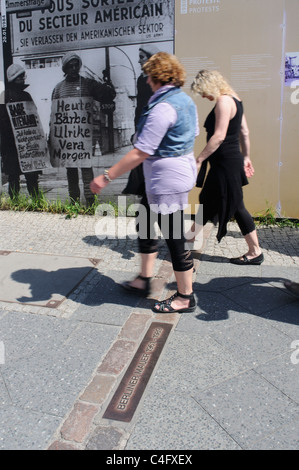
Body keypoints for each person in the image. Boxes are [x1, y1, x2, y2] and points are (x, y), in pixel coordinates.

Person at [91, 52, 199, 313]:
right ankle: (144, 279)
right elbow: (192, 133)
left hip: (166, 180)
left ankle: (185, 297)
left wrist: (106, 176)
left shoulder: (163, 106)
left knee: (174, 237)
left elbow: (141, 151)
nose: (147, 81)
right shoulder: (184, 100)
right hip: (176, 171)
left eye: (149, 75)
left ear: (157, 76)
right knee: (145, 221)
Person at [189, 69, 263, 265]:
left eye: (202, 91)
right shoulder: (235, 99)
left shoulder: (223, 101)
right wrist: (246, 156)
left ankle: (255, 251)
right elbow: (244, 132)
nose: (204, 96)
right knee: (207, 198)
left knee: (237, 205)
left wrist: (199, 159)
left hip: (225, 164)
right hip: (228, 161)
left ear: (209, 85)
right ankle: (188, 240)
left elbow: (219, 136)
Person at [50, 52, 116, 207]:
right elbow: (54, 115)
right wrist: (52, 138)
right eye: (70, 66)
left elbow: (109, 95)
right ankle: (73, 200)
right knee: (71, 170)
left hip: (84, 136)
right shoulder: (58, 89)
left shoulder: (88, 84)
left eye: (76, 65)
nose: (73, 68)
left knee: (86, 168)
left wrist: (107, 83)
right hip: (67, 139)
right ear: (65, 68)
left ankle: (90, 201)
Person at [122, 44, 159, 197]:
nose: (139, 61)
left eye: (142, 58)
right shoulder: (140, 80)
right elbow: (139, 107)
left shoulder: (158, 80)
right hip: (142, 127)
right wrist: (136, 130)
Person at [0, 64, 40, 199]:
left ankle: (23, 201)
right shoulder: (5, 96)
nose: (23, 79)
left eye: (23, 76)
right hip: (13, 144)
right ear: (14, 78)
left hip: (22, 143)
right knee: (16, 176)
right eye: (20, 76)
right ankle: (28, 201)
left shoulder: (22, 95)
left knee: (23, 176)